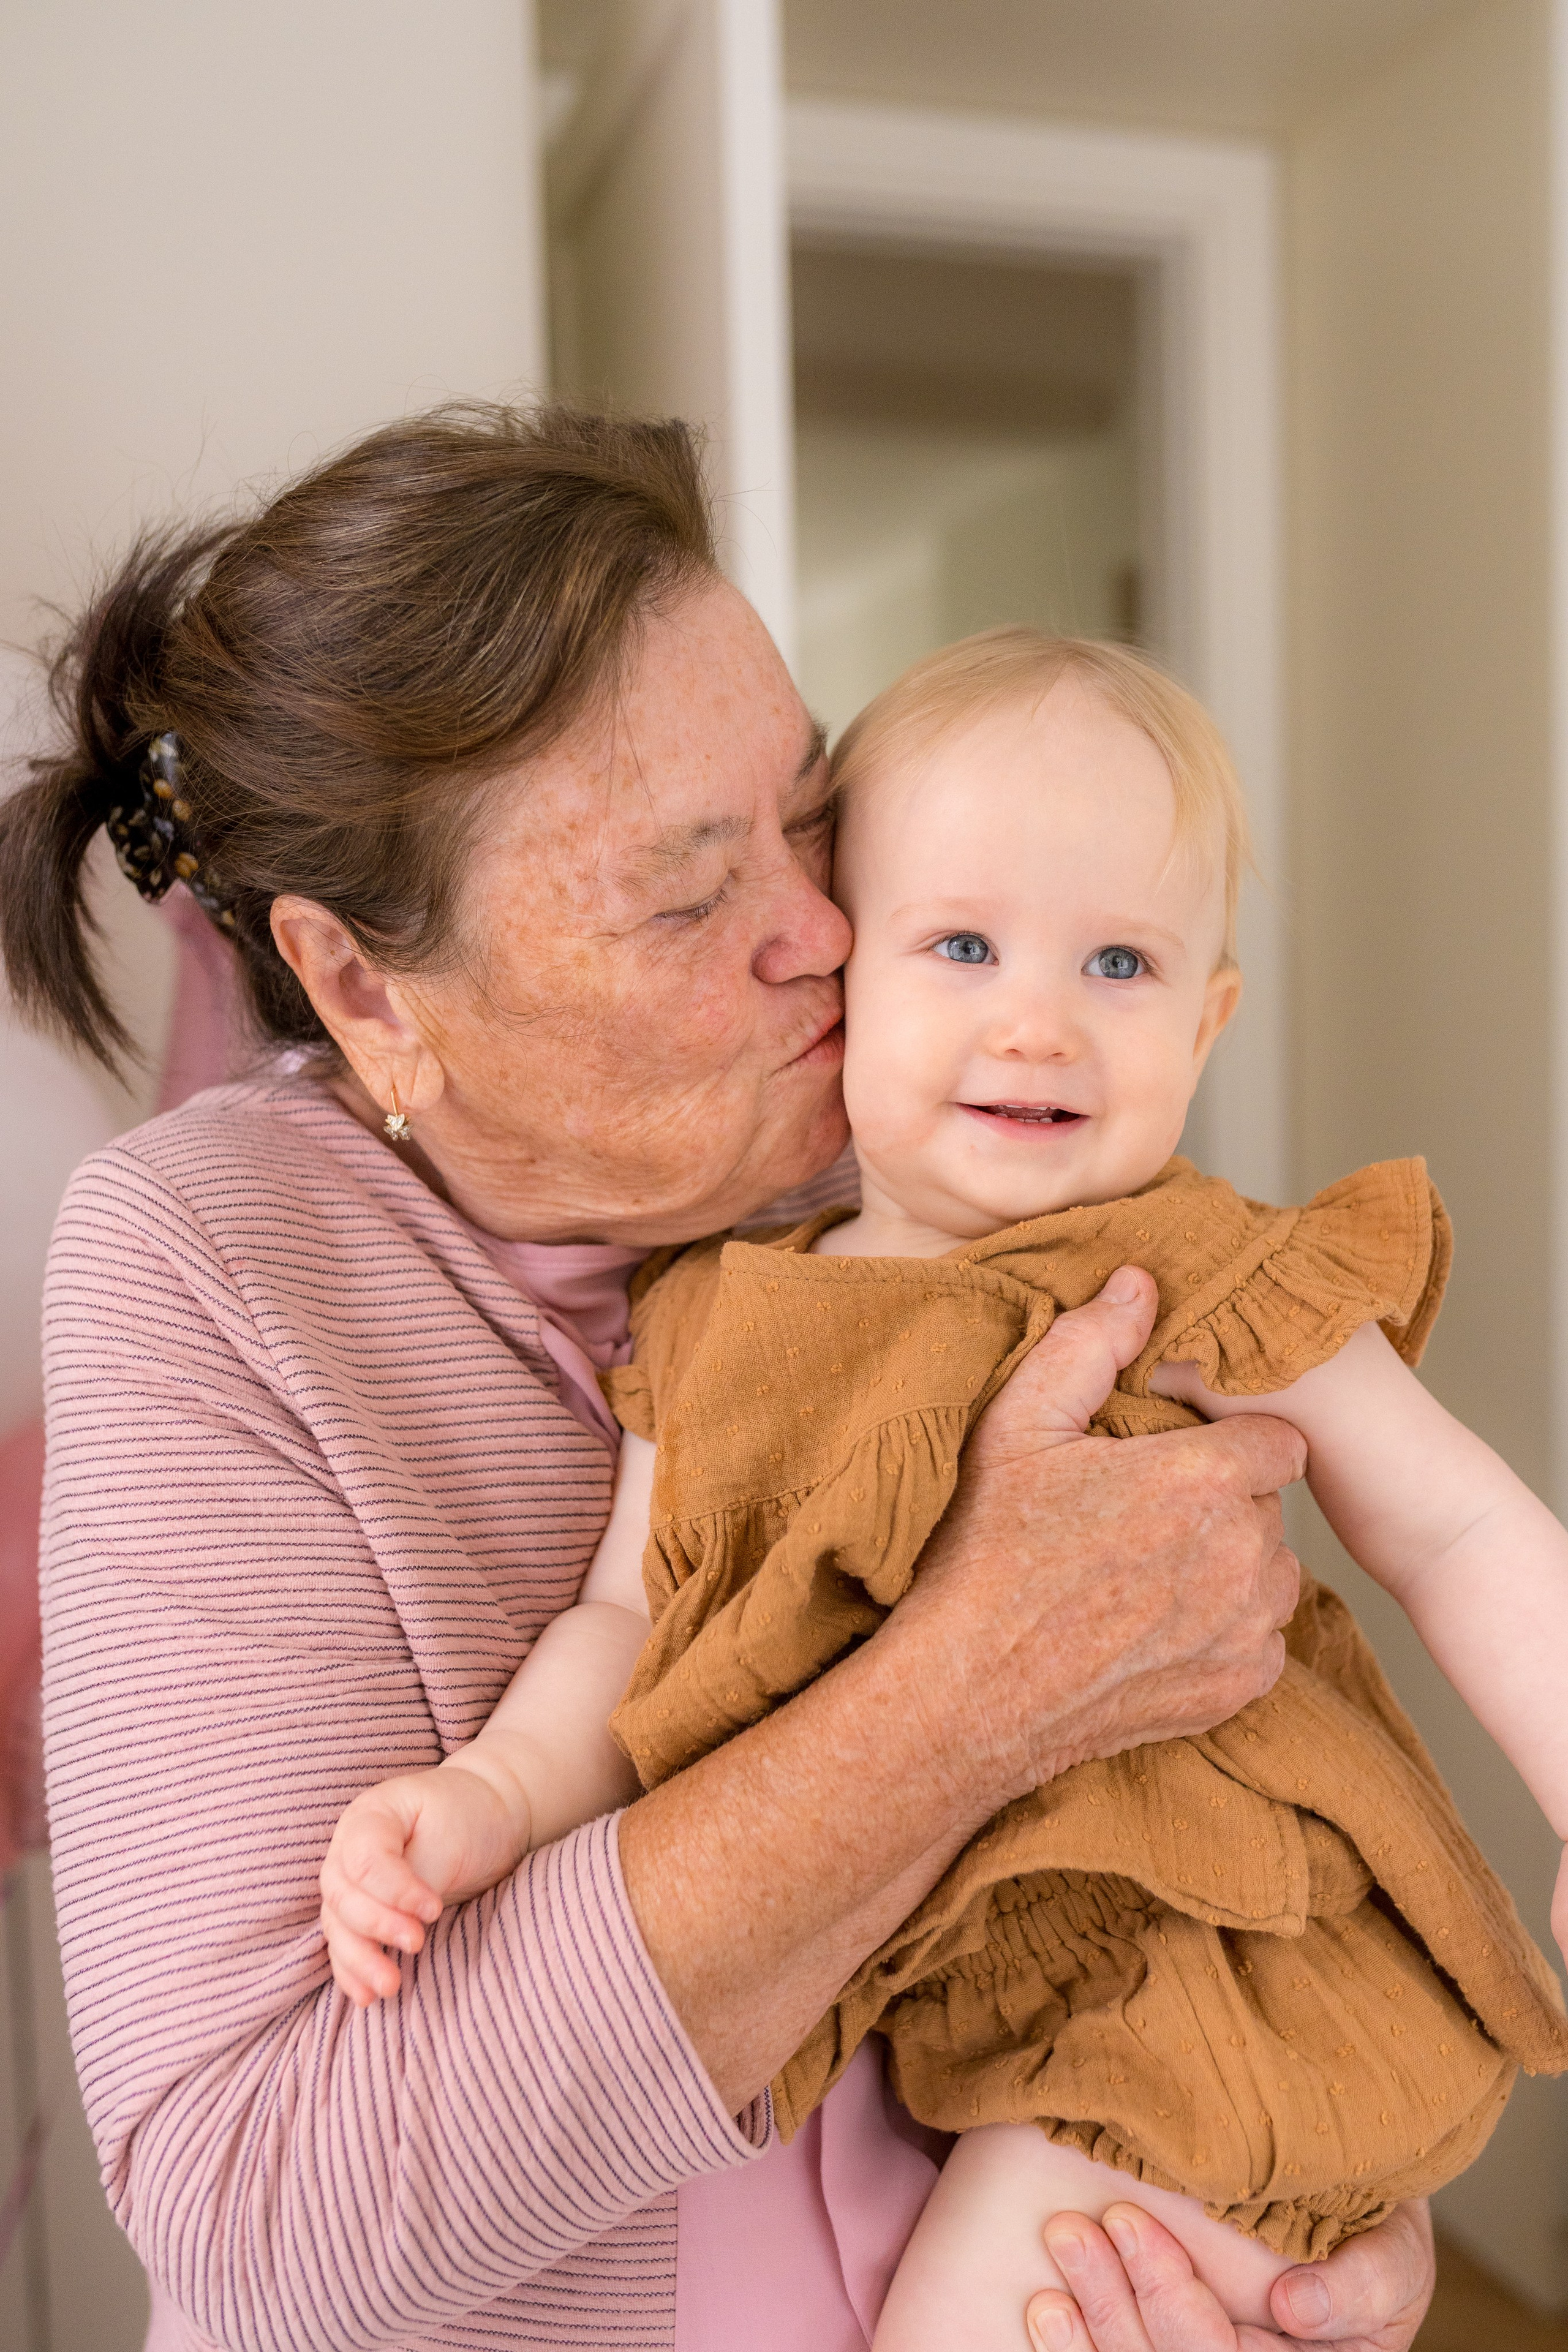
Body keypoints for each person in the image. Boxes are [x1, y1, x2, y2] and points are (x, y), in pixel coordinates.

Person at [0, 404, 1437, 2352]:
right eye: (691, 896)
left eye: (812, 806)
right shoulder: (214, 1268)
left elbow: (1238, 1789)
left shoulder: (927, 1156)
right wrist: (968, 1694)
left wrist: (1297, 2196)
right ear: (362, 989)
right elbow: (263, 2219)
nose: (832, 935)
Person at [318, 633, 1568, 2337]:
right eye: (964, 945)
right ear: (844, 987)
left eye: (1120, 963)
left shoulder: (1180, 1269)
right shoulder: (719, 1323)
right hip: (1006, 2037)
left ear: (1208, 1022)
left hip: (1217, 1984)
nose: (1038, 1021)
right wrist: (489, 1797)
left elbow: (1457, 1518)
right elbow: (630, 1619)